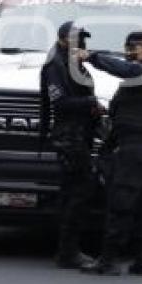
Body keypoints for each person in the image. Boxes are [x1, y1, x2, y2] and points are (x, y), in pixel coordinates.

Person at [81, 31, 142, 276]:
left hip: (135, 151)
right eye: (126, 50)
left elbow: (122, 69)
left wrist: (91, 57)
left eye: (133, 50)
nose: (128, 56)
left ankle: (109, 260)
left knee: (120, 205)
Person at [40, 21, 101, 269]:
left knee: (73, 192)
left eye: (83, 39)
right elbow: (61, 103)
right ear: (63, 40)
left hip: (80, 135)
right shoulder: (55, 66)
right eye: (77, 39)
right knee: (80, 191)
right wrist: (90, 104)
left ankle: (67, 249)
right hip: (69, 137)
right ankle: (69, 251)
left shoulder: (74, 64)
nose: (81, 44)